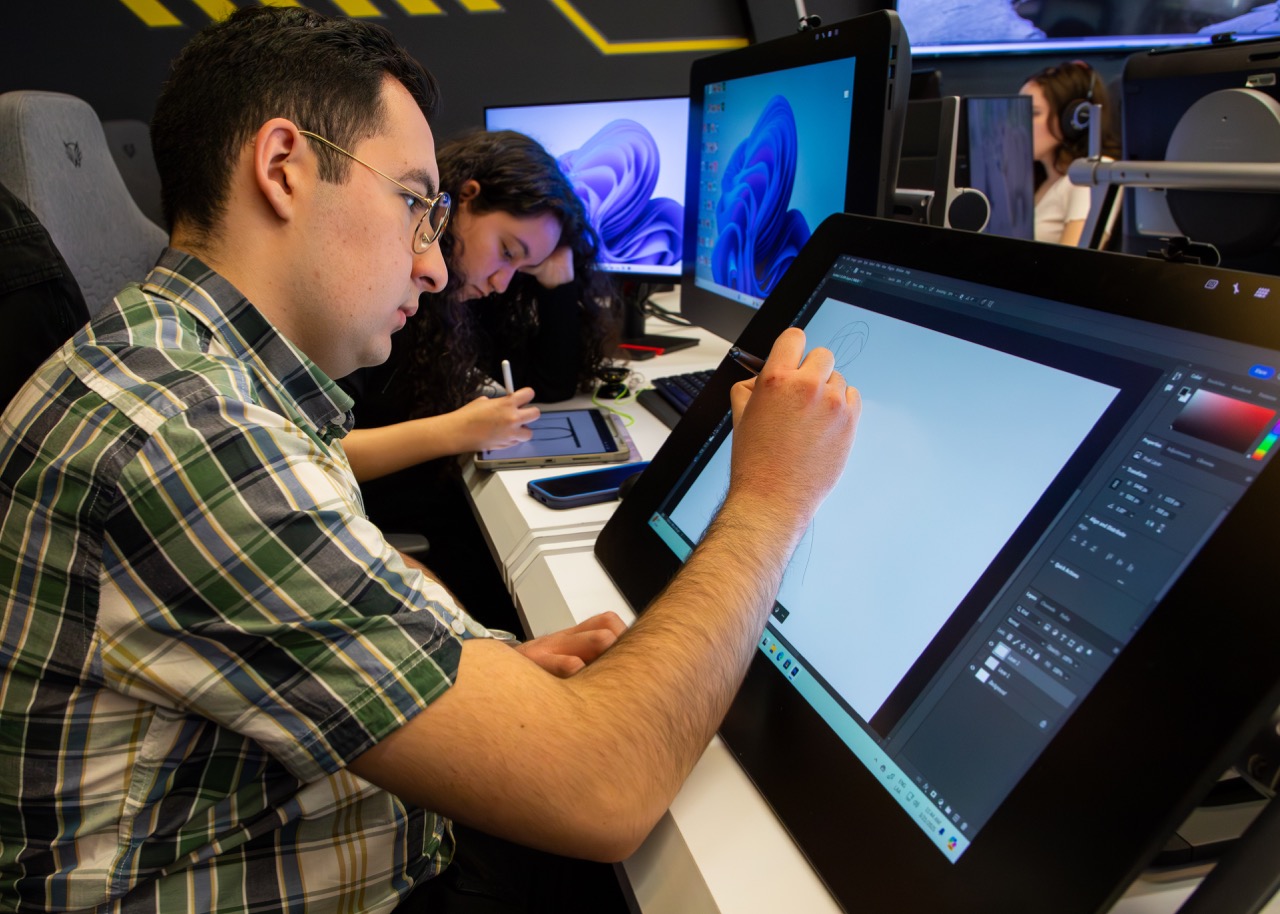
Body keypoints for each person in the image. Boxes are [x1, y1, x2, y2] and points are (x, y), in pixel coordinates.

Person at [0, 8, 861, 914]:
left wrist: (465, 665)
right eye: (415, 204)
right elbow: (605, 787)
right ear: (283, 168)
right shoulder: (191, 436)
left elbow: (329, 569)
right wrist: (770, 494)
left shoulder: (195, 368)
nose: (436, 269)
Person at [338, 129, 618, 633]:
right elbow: (321, 451)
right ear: (464, 199)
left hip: (435, 506)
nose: (502, 283)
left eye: (523, 268)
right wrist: (456, 431)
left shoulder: (459, 300)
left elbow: (552, 384)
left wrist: (554, 278)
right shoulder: (378, 293)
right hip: (389, 524)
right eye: (507, 251)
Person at [1020, 60, 1120, 246]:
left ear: (1072, 120)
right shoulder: (1038, 180)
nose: (1019, 124)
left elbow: (1074, 260)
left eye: (1033, 113)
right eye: (1017, 112)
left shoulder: (1092, 176)